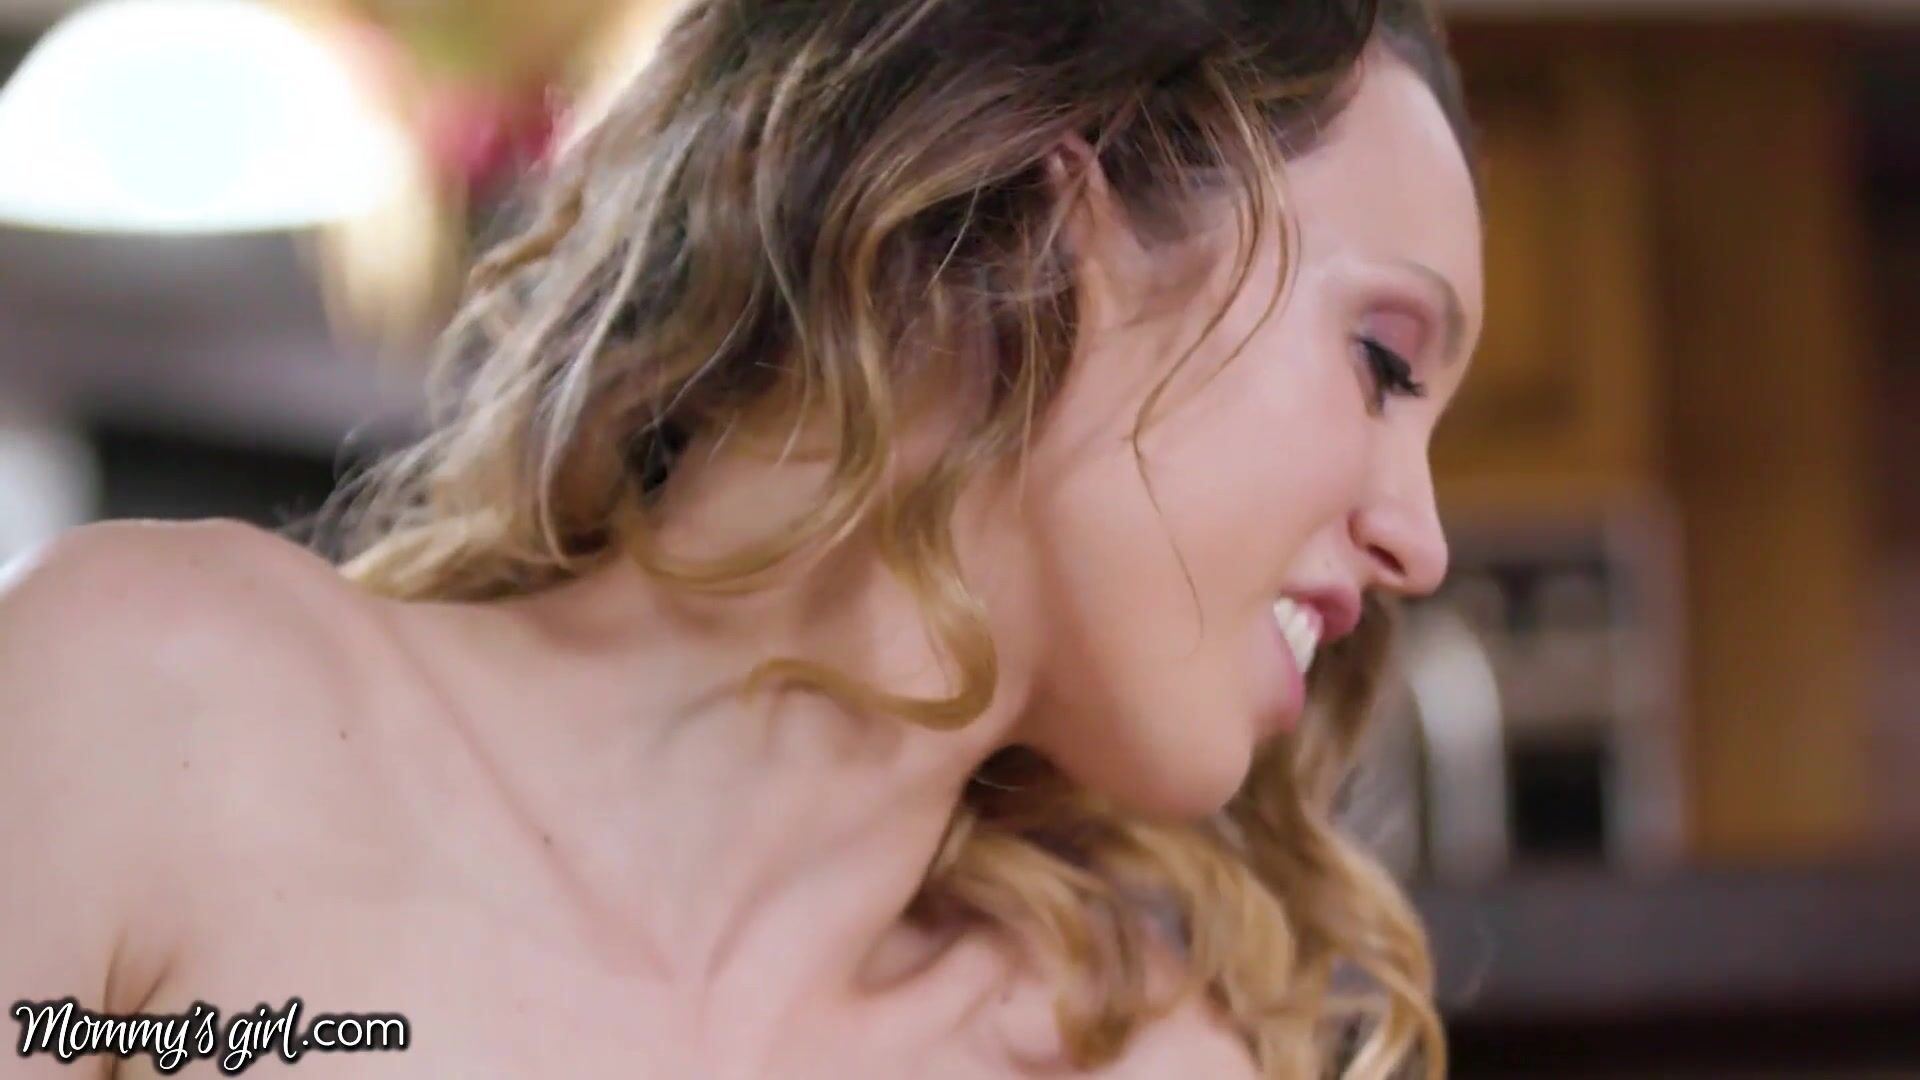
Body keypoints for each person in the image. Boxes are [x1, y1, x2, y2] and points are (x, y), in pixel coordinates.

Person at [0, 0, 1482, 1075]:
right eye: (1382, 361)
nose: (1417, 543)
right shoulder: (153, 724)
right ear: (1053, 223)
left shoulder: (1142, 1064)